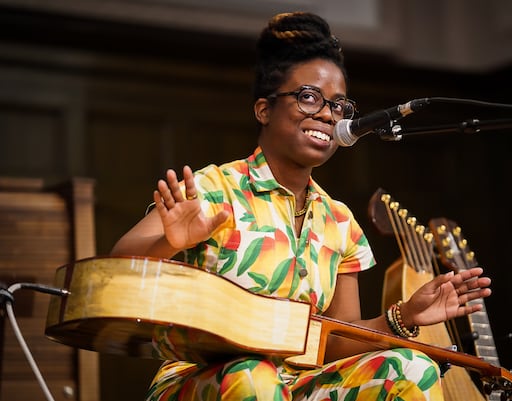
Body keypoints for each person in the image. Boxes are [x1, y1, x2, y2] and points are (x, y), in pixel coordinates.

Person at [110, 11, 492, 401]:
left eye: (339, 106)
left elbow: (335, 343)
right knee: (253, 377)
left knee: (412, 369)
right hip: (202, 379)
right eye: (309, 97)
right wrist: (169, 244)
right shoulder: (212, 188)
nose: (328, 114)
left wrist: (404, 317)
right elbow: (116, 272)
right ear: (264, 109)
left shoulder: (340, 221)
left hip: (298, 382)